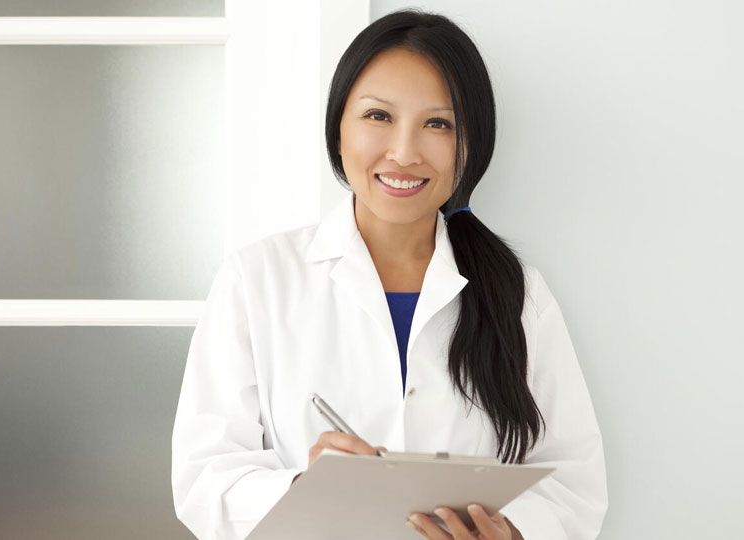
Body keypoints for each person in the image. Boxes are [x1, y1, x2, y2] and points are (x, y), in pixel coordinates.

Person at [171, 8, 607, 540]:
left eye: (438, 124)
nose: (404, 152)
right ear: (338, 131)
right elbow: (204, 480)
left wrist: (512, 532)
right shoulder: (255, 280)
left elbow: (575, 483)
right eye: (378, 117)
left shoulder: (518, 293)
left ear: (468, 148)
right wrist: (307, 488)